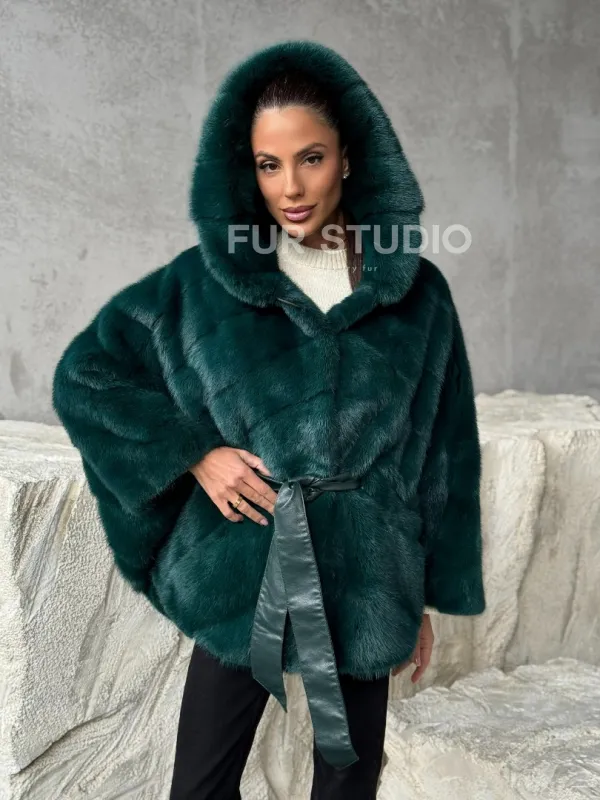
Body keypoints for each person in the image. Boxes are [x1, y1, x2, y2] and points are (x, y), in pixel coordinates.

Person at [52, 40, 486, 800]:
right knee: (200, 785)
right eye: (268, 164)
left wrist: (417, 593)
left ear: (348, 158)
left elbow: (441, 450)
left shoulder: (418, 294)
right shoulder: (204, 282)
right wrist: (195, 454)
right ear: (246, 171)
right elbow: (86, 376)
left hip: (370, 569)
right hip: (245, 562)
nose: (290, 187)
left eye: (310, 158)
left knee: (349, 782)